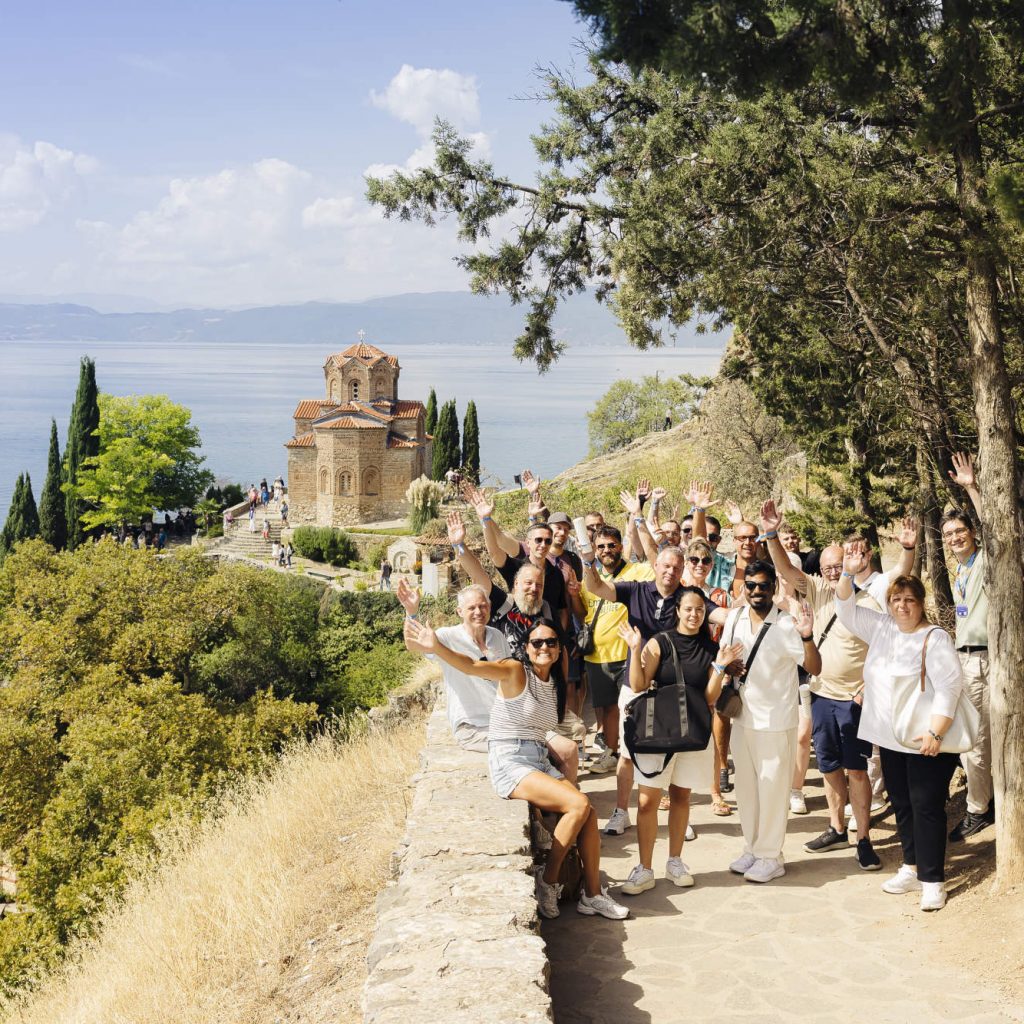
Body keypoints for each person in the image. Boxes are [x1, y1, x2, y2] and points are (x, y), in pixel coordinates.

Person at [404, 615, 629, 921]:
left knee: (587, 814)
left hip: (537, 758)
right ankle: (548, 880)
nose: (544, 647)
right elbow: (471, 666)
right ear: (527, 646)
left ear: (560, 648)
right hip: (509, 759)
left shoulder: (555, 682)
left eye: (551, 642)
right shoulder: (514, 670)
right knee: (578, 804)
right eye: (537, 642)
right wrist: (438, 647)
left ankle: (592, 895)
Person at [835, 544, 965, 911]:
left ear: (921, 603)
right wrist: (848, 573)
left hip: (926, 741)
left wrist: (936, 733)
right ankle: (911, 867)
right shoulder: (881, 628)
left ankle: (932, 880)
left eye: (910, 599)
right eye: (896, 599)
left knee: (927, 807)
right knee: (904, 805)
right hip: (890, 739)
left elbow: (950, 688)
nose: (902, 606)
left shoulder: (935, 638)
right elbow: (844, 608)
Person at [760, 500, 883, 869]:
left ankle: (863, 838)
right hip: (821, 696)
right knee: (828, 765)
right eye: (827, 566)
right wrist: (770, 535)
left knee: (857, 770)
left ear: (852, 565)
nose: (832, 572)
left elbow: (883, 652)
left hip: (854, 700)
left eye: (838, 566)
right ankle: (836, 827)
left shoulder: (870, 604)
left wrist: (867, 688)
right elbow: (784, 568)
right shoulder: (816, 591)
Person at [582, 543, 729, 835]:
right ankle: (621, 811)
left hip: (673, 690)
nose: (670, 572)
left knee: (674, 750)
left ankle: (677, 816)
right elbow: (598, 587)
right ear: (656, 566)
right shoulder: (635, 591)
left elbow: (719, 615)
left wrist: (756, 611)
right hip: (635, 684)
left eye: (676, 567)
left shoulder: (690, 597)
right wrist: (588, 564)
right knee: (626, 752)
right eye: (665, 565)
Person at [616, 590, 743, 893]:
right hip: (657, 729)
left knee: (681, 797)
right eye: (688, 609)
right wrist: (636, 649)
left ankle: (675, 860)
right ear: (678, 610)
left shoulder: (711, 647)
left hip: (691, 732)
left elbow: (710, 697)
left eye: (700, 610)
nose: (694, 615)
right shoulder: (660, 642)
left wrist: (721, 666)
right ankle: (644, 867)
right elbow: (638, 684)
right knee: (647, 802)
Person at [447, 510, 579, 782]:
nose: (533, 589)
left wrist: (561, 697)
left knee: (572, 742)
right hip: (511, 706)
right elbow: (478, 573)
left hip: (540, 699)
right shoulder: (503, 605)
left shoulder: (546, 612)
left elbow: (560, 654)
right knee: (550, 751)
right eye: (528, 583)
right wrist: (459, 545)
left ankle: (564, 803)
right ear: (516, 583)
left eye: (538, 585)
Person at [722, 561, 821, 883]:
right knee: (747, 790)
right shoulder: (735, 618)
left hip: (776, 720)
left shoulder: (786, 625)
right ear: (743, 587)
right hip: (743, 717)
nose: (756, 591)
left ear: (773, 589)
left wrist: (807, 635)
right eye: (750, 585)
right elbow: (726, 655)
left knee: (773, 790)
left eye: (764, 585)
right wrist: (730, 668)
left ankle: (771, 855)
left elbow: (814, 666)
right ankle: (753, 848)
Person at [569, 525, 654, 775]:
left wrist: (638, 520)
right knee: (608, 708)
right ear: (594, 550)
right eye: (601, 546)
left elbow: (655, 566)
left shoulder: (638, 572)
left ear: (620, 546)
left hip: (629, 653)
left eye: (611, 545)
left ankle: (638, 752)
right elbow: (583, 613)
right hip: (599, 655)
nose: (607, 550)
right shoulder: (590, 578)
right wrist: (574, 596)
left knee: (634, 706)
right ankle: (613, 752)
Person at [943, 451, 993, 841]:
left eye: (960, 532)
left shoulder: (984, 561)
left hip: (989, 658)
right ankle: (981, 803)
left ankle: (981, 808)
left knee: (982, 738)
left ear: (971, 534)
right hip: (965, 660)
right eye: (948, 535)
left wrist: (972, 487)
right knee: (970, 738)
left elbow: (997, 531)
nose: (955, 538)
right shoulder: (959, 570)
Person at [398, 579, 511, 751]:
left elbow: (508, 678)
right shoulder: (448, 637)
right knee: (522, 748)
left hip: (504, 721)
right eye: (471, 608)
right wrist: (411, 612)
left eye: (482, 606)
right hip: (472, 727)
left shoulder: (497, 636)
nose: (478, 612)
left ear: (489, 608)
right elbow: (413, 644)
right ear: (460, 611)